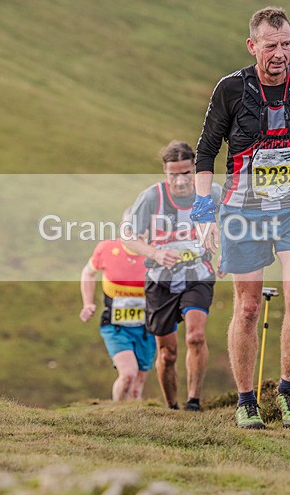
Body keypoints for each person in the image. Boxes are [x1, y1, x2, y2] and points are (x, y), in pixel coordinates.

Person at [192, 6, 290, 429]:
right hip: (243, 211)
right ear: (252, 46)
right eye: (271, 45)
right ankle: (245, 401)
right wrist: (204, 214)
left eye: (287, 44)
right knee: (250, 306)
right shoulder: (230, 90)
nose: (280, 53)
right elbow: (205, 153)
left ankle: (288, 393)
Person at [124, 141, 221, 412]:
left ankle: (193, 401)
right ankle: (172, 406)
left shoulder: (212, 192)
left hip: (197, 274)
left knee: (196, 337)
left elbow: (233, 225)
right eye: (173, 174)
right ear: (165, 172)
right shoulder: (151, 197)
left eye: (186, 173)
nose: (180, 181)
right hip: (160, 279)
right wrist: (155, 253)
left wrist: (227, 255)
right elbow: (129, 237)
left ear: (194, 169)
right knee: (167, 354)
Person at [80, 210, 156, 401]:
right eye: (128, 227)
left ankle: (132, 421)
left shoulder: (156, 254)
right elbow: (88, 273)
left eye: (139, 227)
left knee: (138, 384)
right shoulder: (107, 249)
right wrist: (88, 303)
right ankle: (117, 412)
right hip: (115, 326)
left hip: (147, 328)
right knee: (128, 375)